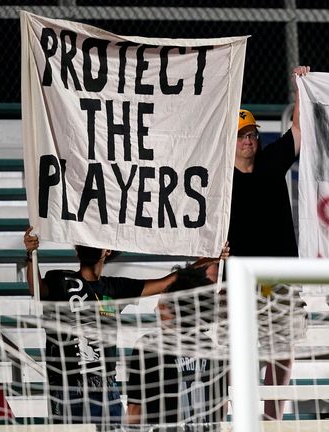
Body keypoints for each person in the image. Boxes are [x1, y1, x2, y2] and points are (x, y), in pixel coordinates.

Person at [23, 227, 224, 424]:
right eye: (83, 241)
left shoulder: (117, 287)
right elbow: (37, 290)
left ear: (107, 250)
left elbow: (166, 282)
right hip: (67, 387)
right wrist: (31, 254)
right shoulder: (60, 278)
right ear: (76, 249)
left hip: (106, 387)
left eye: (95, 240)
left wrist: (211, 258)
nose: (89, 245)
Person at [227, 65, 310, 420]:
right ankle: (234, 415)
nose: (249, 140)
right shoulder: (218, 182)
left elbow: (299, 129)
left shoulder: (270, 162)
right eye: (242, 135)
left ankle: (272, 419)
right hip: (239, 280)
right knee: (233, 351)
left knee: (283, 348)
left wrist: (299, 89)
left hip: (277, 277)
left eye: (252, 134)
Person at [125, 265, 228, 426]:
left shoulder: (149, 346)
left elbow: (134, 412)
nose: (155, 309)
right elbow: (222, 409)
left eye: (162, 305)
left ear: (178, 309)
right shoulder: (212, 348)